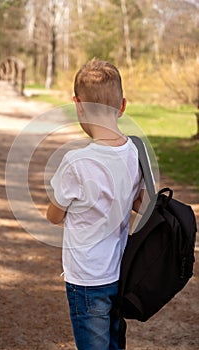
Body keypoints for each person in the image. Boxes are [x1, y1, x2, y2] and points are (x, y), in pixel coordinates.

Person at [47, 58, 146, 350]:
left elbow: (54, 216)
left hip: (87, 278)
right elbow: (141, 203)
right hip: (121, 270)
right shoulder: (135, 152)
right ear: (123, 105)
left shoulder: (75, 162)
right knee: (114, 342)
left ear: (78, 105)